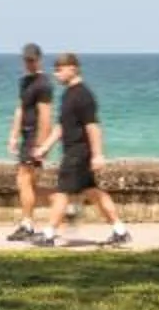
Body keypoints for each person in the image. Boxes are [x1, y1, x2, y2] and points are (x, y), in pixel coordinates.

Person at [38, 52, 130, 247]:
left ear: (73, 68)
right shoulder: (67, 95)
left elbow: (93, 126)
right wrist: (45, 146)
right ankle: (120, 230)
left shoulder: (83, 95)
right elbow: (62, 126)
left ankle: (48, 234)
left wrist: (97, 154)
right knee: (93, 192)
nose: (56, 75)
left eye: (59, 70)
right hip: (73, 150)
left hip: (79, 152)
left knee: (62, 191)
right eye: (55, 71)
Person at [5, 43, 59, 242]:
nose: (28, 63)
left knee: (24, 180)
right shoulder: (25, 82)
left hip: (35, 136)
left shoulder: (43, 84)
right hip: (26, 135)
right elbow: (20, 109)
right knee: (28, 183)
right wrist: (13, 135)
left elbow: (46, 116)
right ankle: (60, 203)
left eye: (32, 60)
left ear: (39, 59)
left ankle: (27, 224)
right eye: (26, 60)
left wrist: (41, 145)